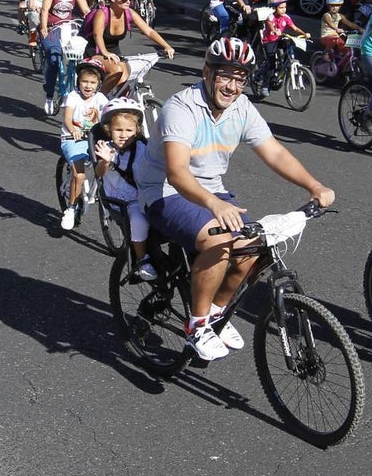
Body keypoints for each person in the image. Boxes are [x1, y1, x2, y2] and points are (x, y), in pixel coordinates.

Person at [133, 37, 335, 360]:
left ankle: (215, 312)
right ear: (206, 73)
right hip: (164, 191)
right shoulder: (181, 108)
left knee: (251, 248)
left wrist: (314, 186)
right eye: (225, 75)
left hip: (211, 188)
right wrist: (214, 204)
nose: (232, 86)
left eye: (240, 78)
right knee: (219, 242)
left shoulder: (241, 108)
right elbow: (177, 173)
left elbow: (275, 153)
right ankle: (197, 325)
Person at [93, 98, 156, 280]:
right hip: (121, 198)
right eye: (118, 130)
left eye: (129, 130)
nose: (123, 134)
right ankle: (141, 258)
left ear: (137, 131)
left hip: (144, 192)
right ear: (108, 130)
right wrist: (105, 161)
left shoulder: (142, 146)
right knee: (138, 219)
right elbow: (100, 173)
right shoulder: (105, 148)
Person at [87, 0, 175, 94]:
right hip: (96, 52)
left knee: (124, 89)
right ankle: (97, 100)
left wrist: (166, 46)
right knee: (116, 70)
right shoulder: (102, 13)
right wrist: (105, 52)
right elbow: (97, 35)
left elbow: (148, 31)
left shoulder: (129, 13)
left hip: (115, 54)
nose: (128, 2)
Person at [59, 59, 109, 231]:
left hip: (93, 139)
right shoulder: (72, 96)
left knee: (111, 165)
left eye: (92, 82)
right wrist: (73, 130)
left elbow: (109, 116)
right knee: (79, 176)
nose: (88, 86)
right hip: (73, 139)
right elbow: (67, 118)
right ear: (78, 82)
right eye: (84, 82)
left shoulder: (101, 99)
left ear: (98, 84)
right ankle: (71, 208)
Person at [39, 0, 91, 114]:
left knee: (83, 57)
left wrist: (91, 21)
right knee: (54, 59)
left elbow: (86, 10)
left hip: (70, 27)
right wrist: (43, 27)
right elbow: (45, 10)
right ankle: (49, 94)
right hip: (53, 28)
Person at [253, 0, 309, 98]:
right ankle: (264, 83)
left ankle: (285, 65)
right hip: (269, 41)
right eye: (281, 7)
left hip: (279, 39)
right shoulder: (271, 17)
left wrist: (304, 34)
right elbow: (270, 25)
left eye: (285, 7)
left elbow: (294, 28)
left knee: (290, 45)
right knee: (271, 64)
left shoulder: (286, 17)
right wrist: (275, 30)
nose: (284, 10)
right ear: (274, 8)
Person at [319, 0, 363, 65]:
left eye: (337, 5)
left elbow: (350, 24)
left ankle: (343, 64)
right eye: (332, 5)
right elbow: (330, 23)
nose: (334, 7)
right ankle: (325, 53)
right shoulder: (326, 15)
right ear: (328, 6)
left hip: (336, 37)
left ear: (340, 6)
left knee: (347, 50)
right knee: (334, 40)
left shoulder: (340, 16)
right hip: (326, 36)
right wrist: (336, 29)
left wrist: (360, 28)